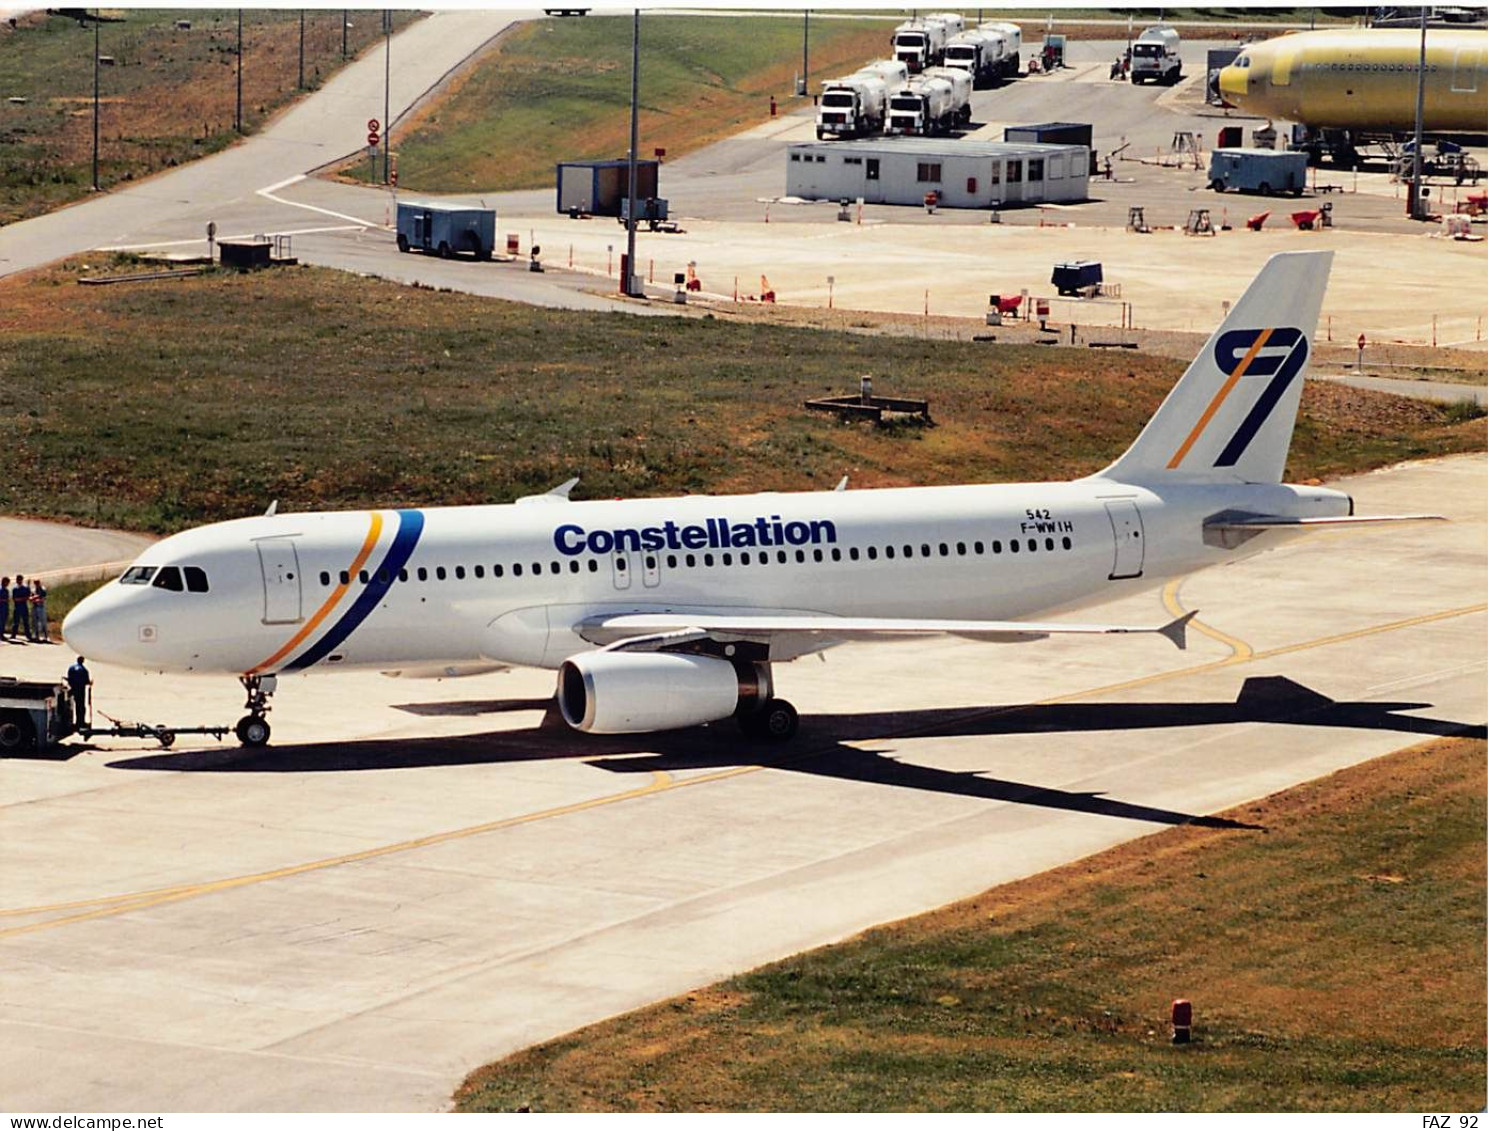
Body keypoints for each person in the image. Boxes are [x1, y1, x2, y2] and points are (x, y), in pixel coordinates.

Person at [66, 656, 91, 731]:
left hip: (73, 689)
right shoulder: (84, 670)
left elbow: (69, 678)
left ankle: (72, 722)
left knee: (71, 706)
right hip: (80, 690)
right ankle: (80, 722)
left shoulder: (71, 668)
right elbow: (86, 681)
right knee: (81, 707)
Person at [10, 574, 31, 640]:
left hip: (23, 607)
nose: (18, 581)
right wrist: (22, 599)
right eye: (17, 580)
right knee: (16, 622)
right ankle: (13, 635)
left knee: (26, 622)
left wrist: (20, 599)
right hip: (17, 607)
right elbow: (14, 599)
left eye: (19, 580)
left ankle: (28, 635)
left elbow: (28, 596)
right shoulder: (15, 589)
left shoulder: (25, 588)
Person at [30, 578, 48, 643]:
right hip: (34, 607)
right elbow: (31, 598)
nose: (36, 584)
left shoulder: (43, 589)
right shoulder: (33, 590)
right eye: (35, 583)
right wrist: (34, 598)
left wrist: (35, 598)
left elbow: (43, 598)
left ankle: (45, 636)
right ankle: (36, 636)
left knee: (43, 622)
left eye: (37, 582)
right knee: (35, 622)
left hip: (41, 607)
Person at [0, 577, 8, 643]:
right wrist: (4, 600)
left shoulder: (5, 590)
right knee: (1, 622)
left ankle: (2, 634)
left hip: (5, 607)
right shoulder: (1, 589)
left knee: (3, 621)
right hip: (1, 607)